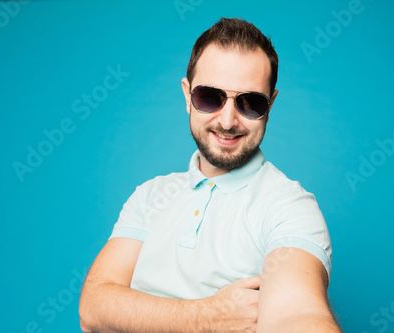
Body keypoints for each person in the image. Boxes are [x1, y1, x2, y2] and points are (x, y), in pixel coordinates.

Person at [79, 17, 341, 333]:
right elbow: (94, 307)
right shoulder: (149, 195)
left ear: (270, 106)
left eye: (250, 103)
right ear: (188, 96)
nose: (228, 120)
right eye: (210, 97)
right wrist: (207, 317)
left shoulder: (288, 206)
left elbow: (296, 314)